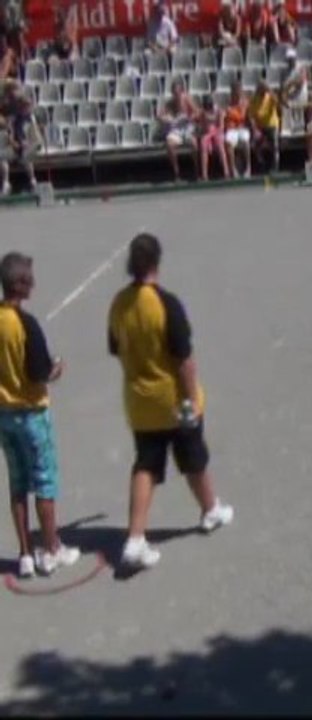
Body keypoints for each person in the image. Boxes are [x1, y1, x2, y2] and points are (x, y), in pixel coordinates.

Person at [108, 234, 234, 571]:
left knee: (146, 465)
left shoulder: (119, 303)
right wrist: (191, 400)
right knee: (193, 457)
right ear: (156, 263)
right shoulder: (166, 304)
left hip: (140, 402)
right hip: (173, 400)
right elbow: (184, 359)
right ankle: (210, 510)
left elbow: (116, 347)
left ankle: (136, 538)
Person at [0, 253, 79, 579]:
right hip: (31, 413)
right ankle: (51, 549)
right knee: (45, 482)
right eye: (29, 279)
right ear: (20, 284)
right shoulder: (26, 324)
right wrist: (56, 368)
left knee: (18, 483)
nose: (33, 283)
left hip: (4, 414)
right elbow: (38, 372)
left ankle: (25, 554)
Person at [0, 88, 41, 195]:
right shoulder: (13, 118)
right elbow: (10, 133)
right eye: (23, 106)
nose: (25, 109)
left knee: (27, 158)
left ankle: (33, 182)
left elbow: (36, 137)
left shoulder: (31, 120)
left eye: (27, 106)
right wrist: (13, 142)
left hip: (26, 147)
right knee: (2, 157)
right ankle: (6, 184)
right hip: (14, 147)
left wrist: (28, 144)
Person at [158, 77, 198, 181]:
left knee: (194, 143)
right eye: (174, 93)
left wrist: (190, 117)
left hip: (187, 127)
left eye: (178, 92)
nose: (176, 95)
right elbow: (159, 115)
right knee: (169, 145)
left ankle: (197, 169)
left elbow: (197, 112)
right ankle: (177, 172)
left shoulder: (187, 99)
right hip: (176, 129)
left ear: (181, 91)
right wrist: (166, 119)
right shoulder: (170, 103)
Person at [248, 79, 280, 173]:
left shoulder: (270, 97)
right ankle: (261, 163)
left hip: (272, 125)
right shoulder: (254, 100)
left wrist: (270, 91)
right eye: (261, 89)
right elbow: (251, 116)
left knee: (274, 144)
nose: (263, 92)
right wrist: (254, 129)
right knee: (255, 145)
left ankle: (275, 166)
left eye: (264, 89)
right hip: (260, 127)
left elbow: (278, 102)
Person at [196, 95, 230, 181]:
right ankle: (204, 174)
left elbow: (221, 126)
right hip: (207, 132)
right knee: (203, 144)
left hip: (217, 131)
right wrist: (207, 131)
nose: (208, 107)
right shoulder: (203, 112)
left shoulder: (219, 111)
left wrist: (214, 133)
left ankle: (226, 171)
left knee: (220, 145)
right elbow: (203, 126)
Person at [224, 80, 252, 178]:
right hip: (231, 129)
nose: (237, 92)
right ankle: (233, 170)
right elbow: (227, 117)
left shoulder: (245, 103)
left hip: (242, 127)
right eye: (235, 90)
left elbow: (246, 117)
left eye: (239, 90)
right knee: (229, 142)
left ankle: (248, 168)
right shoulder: (228, 104)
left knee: (245, 141)